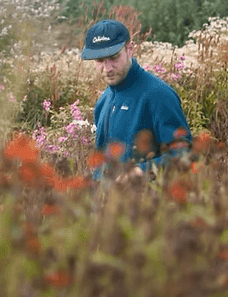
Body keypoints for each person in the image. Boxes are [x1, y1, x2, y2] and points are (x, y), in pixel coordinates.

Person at [81, 19, 191, 181]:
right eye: (99, 60)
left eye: (114, 57)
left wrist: (140, 171)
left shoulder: (158, 94)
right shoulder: (103, 101)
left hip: (150, 203)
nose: (107, 68)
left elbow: (183, 154)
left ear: (130, 49)